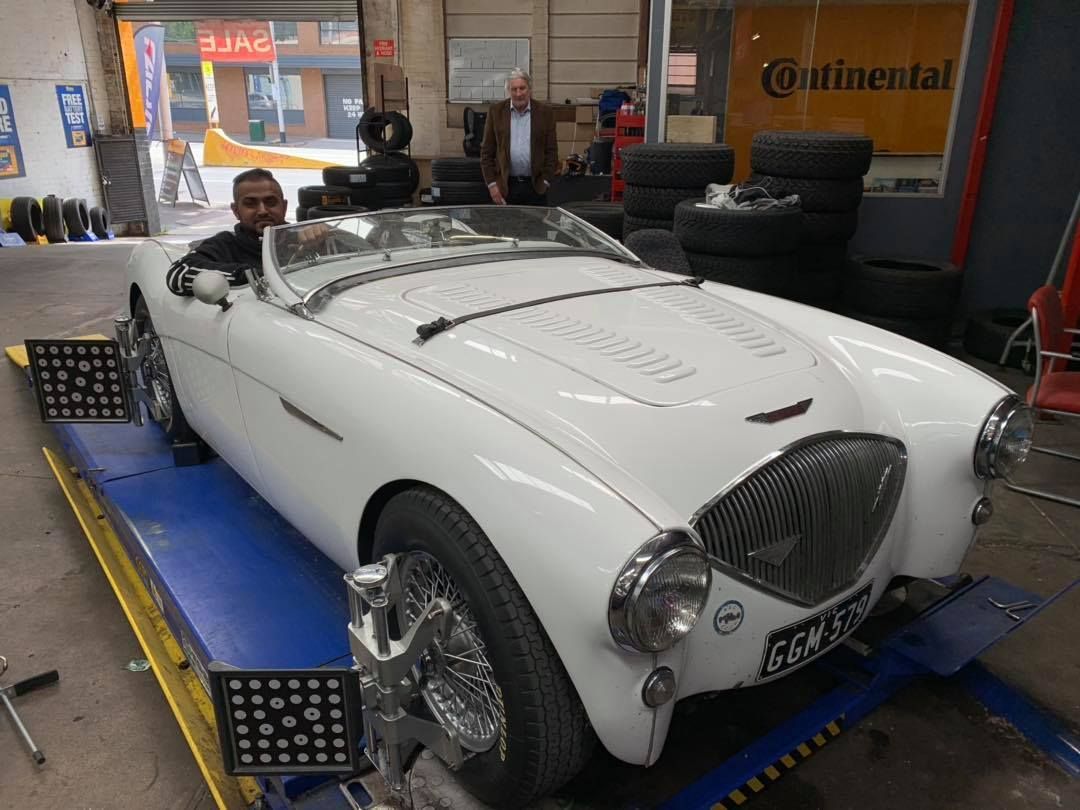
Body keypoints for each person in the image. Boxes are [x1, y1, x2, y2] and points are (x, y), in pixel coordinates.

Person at [166, 168, 323, 296]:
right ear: (236, 211)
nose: (262, 211)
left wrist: (323, 237)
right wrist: (253, 275)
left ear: (284, 206)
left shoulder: (307, 235)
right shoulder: (226, 244)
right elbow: (178, 274)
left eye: (270, 202)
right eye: (250, 204)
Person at [480, 68, 558, 207]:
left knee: (536, 222)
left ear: (529, 89)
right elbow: (486, 152)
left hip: (536, 187)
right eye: (514, 89)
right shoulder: (496, 112)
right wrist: (492, 185)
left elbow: (551, 151)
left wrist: (546, 181)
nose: (518, 93)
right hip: (506, 187)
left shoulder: (545, 113)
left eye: (522, 88)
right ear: (508, 91)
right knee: (507, 222)